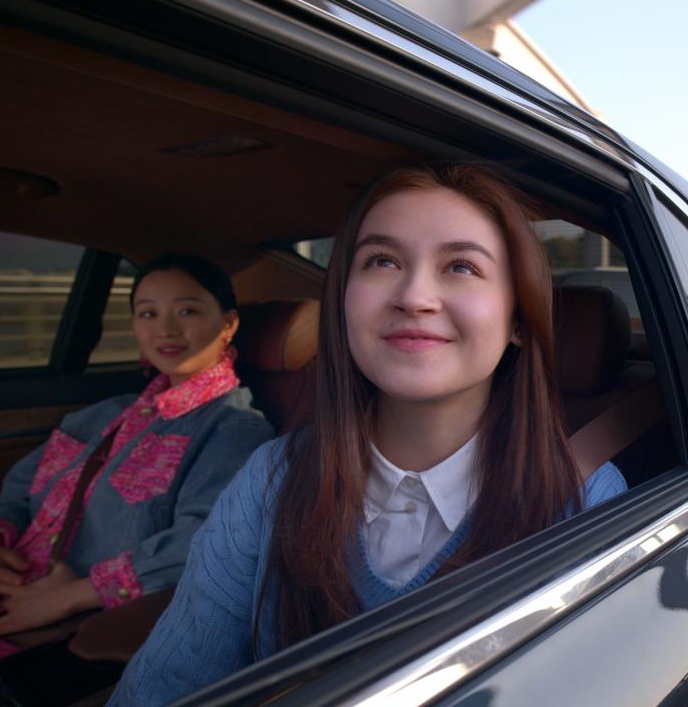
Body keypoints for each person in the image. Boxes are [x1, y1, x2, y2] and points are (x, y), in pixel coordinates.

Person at [110, 165, 627, 705]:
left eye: (461, 266)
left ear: (519, 318)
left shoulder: (584, 499)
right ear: (343, 298)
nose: (414, 296)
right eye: (382, 261)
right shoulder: (270, 481)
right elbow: (166, 684)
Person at [0, 254, 273, 661]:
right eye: (148, 313)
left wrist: (70, 596)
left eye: (187, 310)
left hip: (69, 629)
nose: (166, 329)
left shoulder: (233, 429)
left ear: (228, 323)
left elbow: (205, 541)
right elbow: (20, 488)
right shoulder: (99, 416)